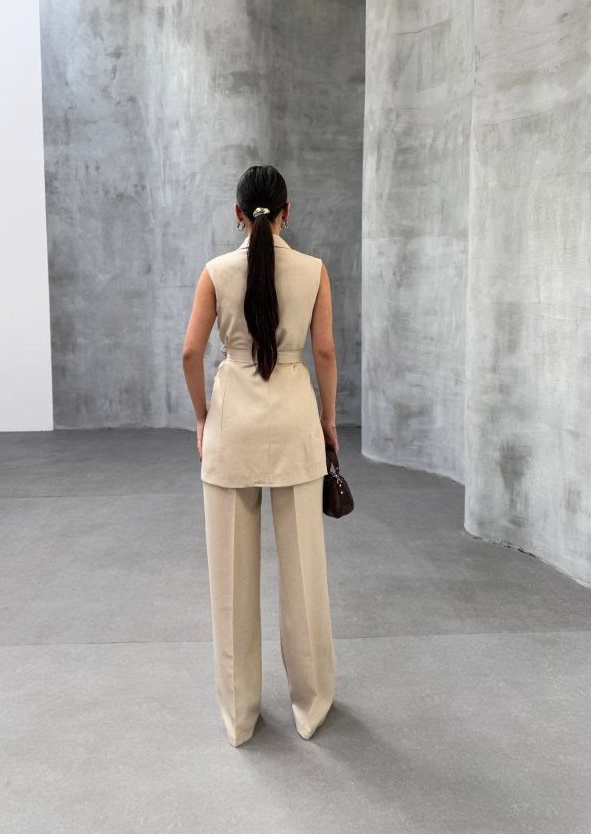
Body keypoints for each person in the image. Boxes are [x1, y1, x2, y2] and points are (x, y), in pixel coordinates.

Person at [182, 165, 339, 746]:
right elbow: (324, 351)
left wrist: (202, 418)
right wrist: (327, 422)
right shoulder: (314, 271)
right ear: (287, 213)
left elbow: (190, 352)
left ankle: (239, 715)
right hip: (295, 424)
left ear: (238, 215)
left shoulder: (216, 272)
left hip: (233, 428)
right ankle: (311, 704)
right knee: (305, 574)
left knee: (229, 582)